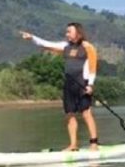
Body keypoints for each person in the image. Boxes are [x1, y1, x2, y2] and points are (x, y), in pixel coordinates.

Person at [20, 23, 100, 151]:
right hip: (69, 84)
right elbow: (46, 44)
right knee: (69, 114)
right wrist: (32, 38)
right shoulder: (65, 47)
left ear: (78, 33)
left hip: (83, 83)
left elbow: (92, 68)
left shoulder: (88, 47)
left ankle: (94, 143)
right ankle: (73, 145)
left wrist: (90, 84)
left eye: (69, 31)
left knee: (86, 113)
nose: (66, 34)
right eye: (66, 32)